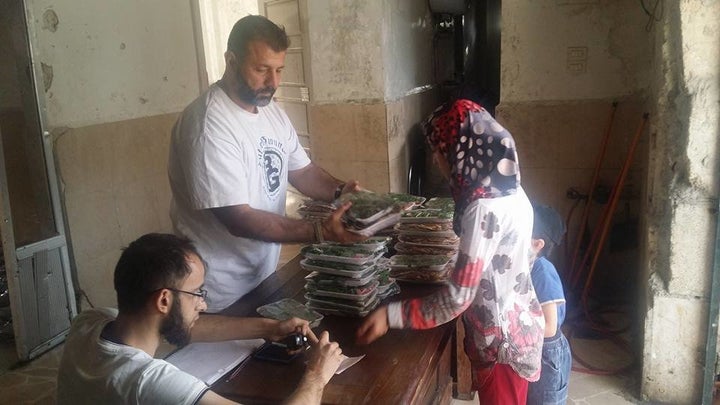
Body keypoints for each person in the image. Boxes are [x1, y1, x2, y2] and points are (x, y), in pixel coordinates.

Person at [168, 15, 365, 312]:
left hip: (263, 276)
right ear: (231, 61)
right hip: (217, 293)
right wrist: (319, 231)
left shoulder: (270, 112)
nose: (273, 82)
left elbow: (304, 171)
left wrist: (344, 194)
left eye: (279, 70)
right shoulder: (208, 125)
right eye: (261, 69)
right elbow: (238, 218)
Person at [357, 99, 545, 404]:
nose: (435, 159)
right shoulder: (509, 187)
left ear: (461, 149)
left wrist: (390, 315)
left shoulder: (483, 209)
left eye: (439, 148)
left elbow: (457, 298)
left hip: (501, 346)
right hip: (517, 327)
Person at [57, 233, 344, 405]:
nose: (203, 304)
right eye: (196, 292)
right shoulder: (146, 381)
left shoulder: (91, 322)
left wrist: (268, 327)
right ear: (164, 300)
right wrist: (317, 373)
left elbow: (189, 329)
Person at [527, 204, 572, 405]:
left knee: (544, 400)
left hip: (548, 352)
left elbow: (550, 327)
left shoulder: (542, 270)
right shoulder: (526, 265)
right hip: (535, 347)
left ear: (538, 244)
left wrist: (515, 333)